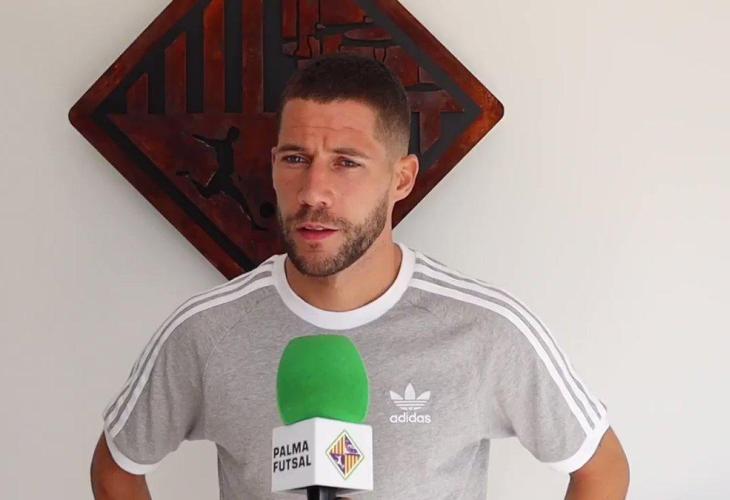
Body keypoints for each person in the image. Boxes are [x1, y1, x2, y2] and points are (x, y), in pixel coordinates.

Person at [90, 53, 629, 499]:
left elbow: (600, 468)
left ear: (402, 179)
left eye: (346, 162)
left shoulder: (487, 329)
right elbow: (116, 468)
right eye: (295, 159)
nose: (313, 191)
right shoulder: (206, 331)